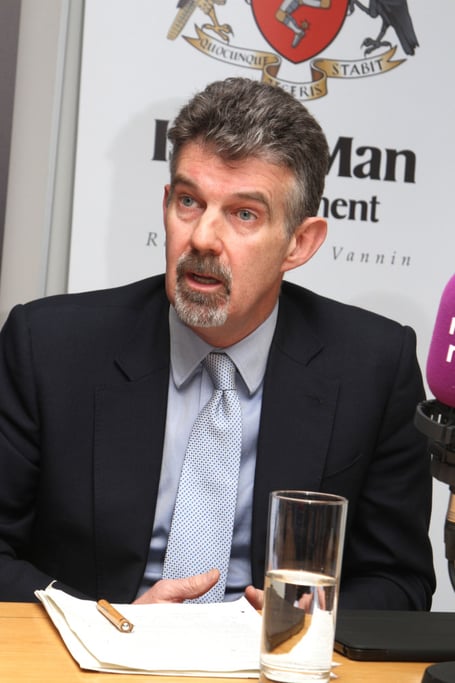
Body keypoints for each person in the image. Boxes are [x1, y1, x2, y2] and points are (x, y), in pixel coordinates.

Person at [0, 77, 435, 609]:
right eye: (189, 201)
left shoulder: (374, 367)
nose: (203, 238)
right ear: (166, 204)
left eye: (243, 213)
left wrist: (314, 618)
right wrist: (106, 624)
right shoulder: (48, 347)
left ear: (300, 242)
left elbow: (400, 580)